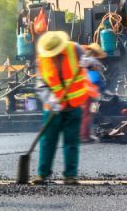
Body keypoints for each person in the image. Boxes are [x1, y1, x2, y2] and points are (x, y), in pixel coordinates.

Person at [34, 30, 95, 184]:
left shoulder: (75, 49)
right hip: (52, 108)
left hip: (74, 106)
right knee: (48, 141)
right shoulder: (42, 59)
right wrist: (51, 98)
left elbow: (97, 66)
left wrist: (89, 63)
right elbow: (40, 85)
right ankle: (42, 174)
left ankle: (70, 175)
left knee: (72, 142)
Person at [81, 46, 106, 141]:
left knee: (85, 113)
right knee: (86, 114)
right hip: (88, 91)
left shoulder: (84, 60)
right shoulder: (92, 61)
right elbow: (96, 78)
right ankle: (84, 136)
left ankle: (86, 135)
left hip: (83, 90)